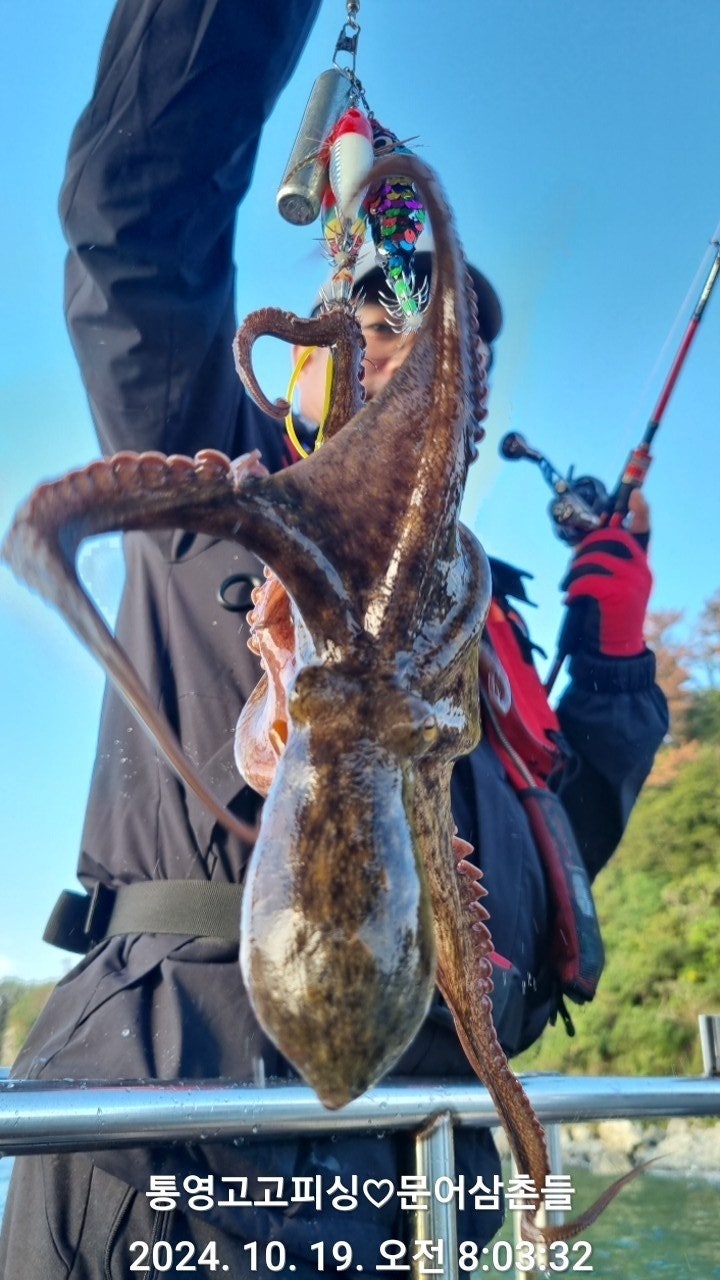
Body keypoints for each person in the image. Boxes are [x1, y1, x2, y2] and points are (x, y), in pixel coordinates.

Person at [0, 1, 668, 1276]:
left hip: (436, 1169)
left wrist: (613, 643)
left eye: (453, 343)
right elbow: (132, 228)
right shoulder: (226, 474)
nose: (419, 360)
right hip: (185, 1120)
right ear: (316, 343)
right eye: (380, 305)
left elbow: (567, 848)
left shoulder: (476, 621)